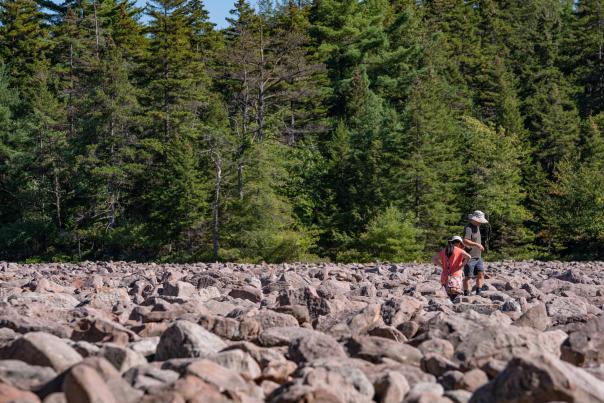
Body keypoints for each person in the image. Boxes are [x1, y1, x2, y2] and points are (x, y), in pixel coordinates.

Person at [432, 236, 471, 301]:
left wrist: (442, 266)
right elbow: (469, 257)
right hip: (456, 275)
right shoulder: (460, 251)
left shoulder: (444, 250)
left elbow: (433, 259)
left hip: (445, 275)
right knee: (455, 296)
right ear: (459, 243)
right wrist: (461, 265)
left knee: (448, 295)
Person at [463, 210, 488, 296]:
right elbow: (465, 241)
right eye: (479, 221)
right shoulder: (468, 228)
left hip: (478, 256)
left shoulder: (477, 226)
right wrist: (477, 244)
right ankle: (466, 293)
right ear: (474, 219)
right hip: (469, 257)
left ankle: (479, 291)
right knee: (468, 277)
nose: (480, 223)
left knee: (481, 274)